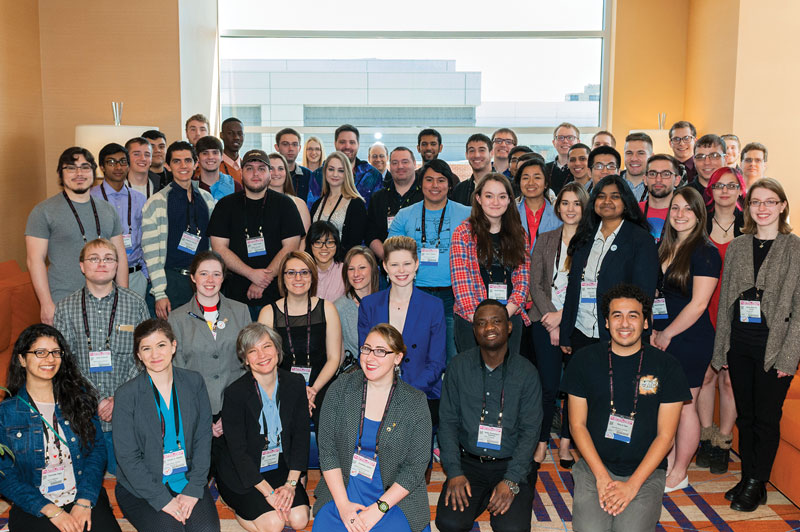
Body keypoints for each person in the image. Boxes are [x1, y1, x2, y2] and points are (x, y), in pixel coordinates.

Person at [565, 284, 689, 532]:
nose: (625, 323)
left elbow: (666, 437)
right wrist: (601, 476)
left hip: (646, 471)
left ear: (645, 323)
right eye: (617, 315)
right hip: (594, 466)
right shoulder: (584, 360)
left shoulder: (667, 366)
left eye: (633, 315)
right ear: (607, 323)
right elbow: (576, 426)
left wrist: (632, 485)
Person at [711, 178, 800, 512]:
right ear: (747, 208)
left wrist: (788, 358)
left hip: (775, 347)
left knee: (765, 417)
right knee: (745, 417)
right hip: (741, 344)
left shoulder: (795, 248)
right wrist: (723, 349)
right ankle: (750, 477)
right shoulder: (737, 246)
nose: (762, 208)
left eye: (769, 201)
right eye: (755, 202)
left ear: (782, 206)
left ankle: (756, 481)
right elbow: (725, 305)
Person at [0, 324, 121, 532]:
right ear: (22, 359)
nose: (50, 359)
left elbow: (97, 450)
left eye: (56, 352)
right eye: (40, 352)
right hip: (35, 504)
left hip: (81, 495)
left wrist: (84, 501)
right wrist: (51, 510)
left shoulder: (79, 398)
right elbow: (4, 475)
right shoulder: (6, 413)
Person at [312, 323, 433, 532]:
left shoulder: (415, 402)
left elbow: (415, 467)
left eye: (380, 351)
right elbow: (328, 450)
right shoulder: (341, 388)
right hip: (344, 488)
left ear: (397, 358)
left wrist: (379, 509)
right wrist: (343, 507)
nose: (370, 358)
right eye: (366, 349)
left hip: (393, 496)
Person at [436, 299, 541, 532]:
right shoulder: (458, 366)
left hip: (511, 464)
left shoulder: (527, 372)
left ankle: (514, 488)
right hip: (469, 463)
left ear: (509, 327)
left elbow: (530, 431)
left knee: (511, 529)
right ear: (474, 331)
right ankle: (481, 496)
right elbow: (448, 423)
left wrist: (512, 480)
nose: (489, 328)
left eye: (496, 321)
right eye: (481, 323)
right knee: (450, 523)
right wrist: (454, 472)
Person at [113, 318, 221, 531]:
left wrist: (193, 489)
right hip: (142, 487)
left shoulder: (194, 382)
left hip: (187, 478)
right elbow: (127, 458)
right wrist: (163, 500)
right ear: (138, 354)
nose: (155, 355)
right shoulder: (126, 395)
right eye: (146, 348)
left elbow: (202, 439)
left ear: (173, 346)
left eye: (161, 345)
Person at [53, 238, 150, 474]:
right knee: (89, 486)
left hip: (127, 414)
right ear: (82, 266)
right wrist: (94, 399)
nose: (101, 264)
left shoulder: (135, 303)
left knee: (129, 481)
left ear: (117, 266)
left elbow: (147, 355)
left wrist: (119, 398)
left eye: (108, 258)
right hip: (84, 414)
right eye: (94, 259)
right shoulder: (65, 308)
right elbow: (63, 362)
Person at [651, 187, 721, 491]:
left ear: (699, 214)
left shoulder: (705, 251)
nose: (680, 214)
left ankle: (680, 472)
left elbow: (698, 304)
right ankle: (666, 464)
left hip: (689, 338)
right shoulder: (663, 247)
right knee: (665, 404)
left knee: (684, 404)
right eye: (675, 208)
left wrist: (667, 333)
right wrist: (653, 330)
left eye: (688, 209)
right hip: (660, 335)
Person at [215, 323, 311, 532]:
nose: (262, 355)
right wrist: (269, 494)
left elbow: (301, 437)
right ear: (245, 359)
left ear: (277, 349)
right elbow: (238, 453)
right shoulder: (235, 393)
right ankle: (231, 502)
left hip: (279, 464)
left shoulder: (295, 383)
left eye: (267, 346)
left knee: (299, 519)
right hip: (243, 471)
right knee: (274, 524)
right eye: (252, 351)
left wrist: (291, 485)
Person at [26, 146, 128, 325]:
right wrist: (46, 304)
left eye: (85, 167)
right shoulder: (43, 211)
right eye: (71, 168)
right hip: (63, 302)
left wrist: (124, 297)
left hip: (106, 301)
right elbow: (35, 260)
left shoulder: (107, 210)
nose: (78, 173)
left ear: (94, 172)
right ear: (60, 174)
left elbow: (120, 255)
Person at [560, 174, 659, 352]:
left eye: (615, 196)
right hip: (580, 330)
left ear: (626, 202)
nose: (607, 201)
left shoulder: (641, 240)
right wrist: (566, 333)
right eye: (601, 196)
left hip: (621, 334)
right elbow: (574, 288)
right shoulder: (585, 236)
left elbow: (644, 295)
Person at [358, 236, 447, 432]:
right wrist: (384, 390)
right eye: (395, 264)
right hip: (377, 391)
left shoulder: (434, 306)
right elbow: (364, 355)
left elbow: (437, 362)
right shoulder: (369, 305)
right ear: (385, 266)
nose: (401, 271)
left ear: (416, 264)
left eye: (407, 263)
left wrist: (407, 393)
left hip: (422, 392)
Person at [529, 183, 589, 466]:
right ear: (557, 207)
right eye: (565, 203)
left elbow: (590, 287)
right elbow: (536, 283)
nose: (570, 209)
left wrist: (563, 318)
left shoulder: (592, 242)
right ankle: (541, 442)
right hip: (544, 319)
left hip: (580, 322)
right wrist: (552, 321)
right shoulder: (545, 238)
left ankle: (566, 443)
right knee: (548, 386)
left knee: (576, 386)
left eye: (576, 203)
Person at [389, 159, 471, 364]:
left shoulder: (467, 214)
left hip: (454, 296)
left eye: (441, 180)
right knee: (415, 355)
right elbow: (391, 253)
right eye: (429, 180)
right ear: (421, 183)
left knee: (453, 357)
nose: (435, 186)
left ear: (450, 184)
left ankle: (450, 397)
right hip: (416, 294)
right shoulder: (405, 215)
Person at [208, 149, 305, 320]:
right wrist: (251, 274)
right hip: (235, 296)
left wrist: (262, 280)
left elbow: (291, 247)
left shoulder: (285, 205)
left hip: (277, 295)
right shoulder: (225, 206)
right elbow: (219, 248)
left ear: (269, 174)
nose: (255, 173)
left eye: (261, 168)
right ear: (241, 173)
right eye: (249, 168)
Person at [168, 250, 252, 440]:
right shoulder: (177, 318)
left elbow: (249, 365)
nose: (210, 280)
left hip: (237, 408)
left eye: (216, 274)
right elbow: (177, 371)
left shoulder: (241, 311)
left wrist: (233, 410)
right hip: (196, 411)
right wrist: (203, 418)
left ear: (223, 278)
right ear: (193, 277)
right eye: (203, 273)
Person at [695, 166, 746, 474]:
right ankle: (705, 436)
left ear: (740, 190)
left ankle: (723, 442)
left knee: (729, 380)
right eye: (718, 186)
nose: (724, 191)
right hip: (703, 311)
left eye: (731, 185)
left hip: (738, 315)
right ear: (710, 192)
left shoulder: (750, 225)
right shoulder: (700, 225)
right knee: (705, 378)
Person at [257, 251, 342, 427]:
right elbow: (264, 362)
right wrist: (294, 390)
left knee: (326, 419)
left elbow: (334, 358)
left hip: (321, 383)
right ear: (283, 277)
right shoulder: (267, 313)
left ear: (312, 276)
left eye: (305, 272)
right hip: (281, 384)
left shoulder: (327, 308)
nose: (298, 278)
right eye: (291, 272)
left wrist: (313, 390)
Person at [451, 173, 531, 355]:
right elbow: (461, 284)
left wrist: (504, 316)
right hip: (472, 319)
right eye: (489, 196)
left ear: (510, 200)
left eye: (502, 196)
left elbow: (522, 281)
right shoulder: (463, 233)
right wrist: (483, 321)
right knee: (473, 379)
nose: (495, 202)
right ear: (478, 198)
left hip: (510, 316)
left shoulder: (519, 233)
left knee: (507, 378)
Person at [142, 141, 216, 319]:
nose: (183, 166)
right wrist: (160, 293)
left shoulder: (207, 199)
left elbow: (213, 244)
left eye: (188, 161)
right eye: (177, 161)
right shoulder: (157, 203)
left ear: (196, 163)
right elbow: (150, 253)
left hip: (202, 281)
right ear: (168, 165)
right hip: (170, 282)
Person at [91, 142, 150, 298]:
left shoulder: (139, 199)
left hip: (135, 276)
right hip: (100, 276)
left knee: (134, 322)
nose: (118, 167)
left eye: (123, 162)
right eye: (111, 162)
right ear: (102, 167)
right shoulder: (91, 198)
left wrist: (145, 274)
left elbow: (146, 237)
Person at [367, 147, 423, 262]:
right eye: (395, 163)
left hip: (422, 267)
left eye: (405, 162)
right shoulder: (378, 197)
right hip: (386, 268)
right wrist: (389, 258)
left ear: (415, 164)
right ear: (390, 166)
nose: (400, 166)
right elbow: (370, 234)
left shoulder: (426, 195)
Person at [308, 124, 382, 208]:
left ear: (358, 145)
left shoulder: (372, 175)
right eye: (342, 142)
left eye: (352, 142)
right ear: (335, 143)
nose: (347, 146)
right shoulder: (318, 175)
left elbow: (377, 211)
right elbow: (312, 209)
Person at [310, 152, 368, 252]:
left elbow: (354, 245)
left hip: (342, 264)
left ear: (347, 173)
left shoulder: (356, 204)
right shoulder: (317, 204)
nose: (335, 174)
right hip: (316, 264)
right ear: (325, 172)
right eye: (331, 169)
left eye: (341, 170)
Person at [335, 246, 380, 366]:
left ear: (373, 269)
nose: (356, 274)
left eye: (362, 268)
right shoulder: (339, 308)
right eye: (351, 269)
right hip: (355, 374)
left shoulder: (387, 302)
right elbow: (336, 356)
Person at [516, 157, 562, 251]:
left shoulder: (558, 215)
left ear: (546, 184)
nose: (531, 182)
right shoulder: (510, 213)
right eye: (525, 178)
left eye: (537, 177)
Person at [639, 154, 682, 241]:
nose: (658, 179)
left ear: (677, 180)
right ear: (645, 179)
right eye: (652, 173)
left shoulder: (683, 214)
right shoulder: (633, 211)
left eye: (666, 174)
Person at [267, 152, 312, 236]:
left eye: (280, 168)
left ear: (286, 173)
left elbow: (304, 240)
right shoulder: (256, 202)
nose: (276, 173)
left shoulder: (299, 204)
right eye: (271, 169)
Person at [306, 221, 346, 301]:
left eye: (329, 242)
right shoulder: (302, 272)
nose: (324, 248)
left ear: (336, 245)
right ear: (310, 245)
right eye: (318, 242)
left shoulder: (345, 271)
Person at [193, 135, 242, 200]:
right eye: (205, 153)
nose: (210, 157)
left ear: (222, 157)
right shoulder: (192, 188)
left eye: (215, 153)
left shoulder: (235, 187)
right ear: (198, 158)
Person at [452, 134, 493, 206]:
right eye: (472, 150)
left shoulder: (507, 185)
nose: (476, 155)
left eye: (482, 150)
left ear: (491, 153)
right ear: (466, 155)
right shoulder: (459, 190)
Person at [276, 128, 314, 204]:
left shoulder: (308, 175)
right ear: (277, 147)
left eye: (294, 144)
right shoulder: (269, 174)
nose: (291, 149)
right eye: (285, 144)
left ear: (299, 148)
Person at [546, 122, 580, 194]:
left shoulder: (582, 169)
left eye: (570, 137)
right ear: (554, 142)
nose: (565, 141)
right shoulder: (544, 169)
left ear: (578, 142)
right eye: (560, 137)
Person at [621, 133, 653, 202]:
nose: (634, 158)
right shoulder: (612, 183)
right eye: (629, 153)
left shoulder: (658, 186)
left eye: (640, 153)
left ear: (651, 157)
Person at [219, 117, 244, 183]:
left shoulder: (247, 166)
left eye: (240, 134)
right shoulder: (214, 166)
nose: (236, 137)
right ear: (221, 135)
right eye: (230, 133)